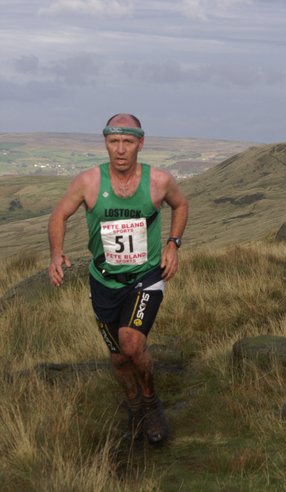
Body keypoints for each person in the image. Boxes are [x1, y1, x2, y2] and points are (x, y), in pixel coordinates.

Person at [48, 113, 189, 444]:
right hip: (104, 281)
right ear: (106, 143)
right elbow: (59, 215)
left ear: (141, 143)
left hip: (145, 276)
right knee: (118, 357)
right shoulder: (88, 182)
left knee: (131, 343)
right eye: (114, 141)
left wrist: (173, 244)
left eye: (128, 141)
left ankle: (151, 403)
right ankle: (134, 407)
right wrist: (56, 253)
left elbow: (181, 205)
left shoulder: (159, 181)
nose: (121, 149)